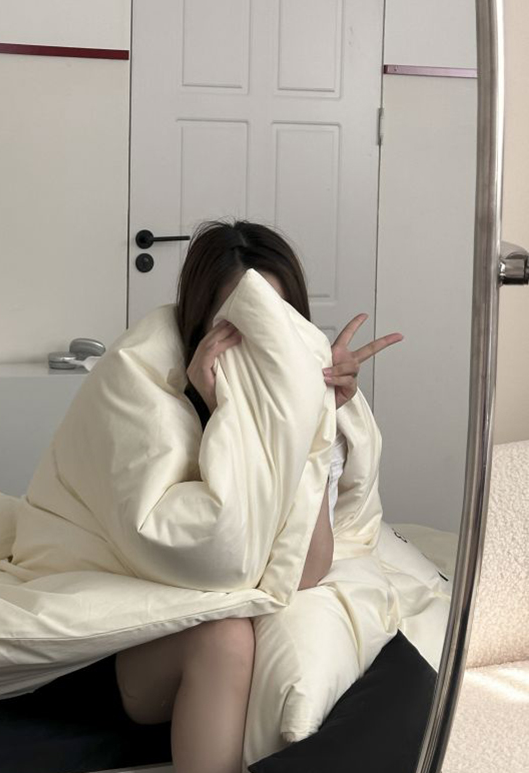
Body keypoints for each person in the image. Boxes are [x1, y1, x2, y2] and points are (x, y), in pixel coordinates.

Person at [114, 219, 403, 773]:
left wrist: (315, 424)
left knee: (232, 635)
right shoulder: (157, 403)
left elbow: (307, 570)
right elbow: (177, 555)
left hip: (215, 636)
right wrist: (220, 417)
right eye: (241, 321)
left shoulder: (300, 414)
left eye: (279, 318)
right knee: (223, 636)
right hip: (147, 639)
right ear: (204, 324)